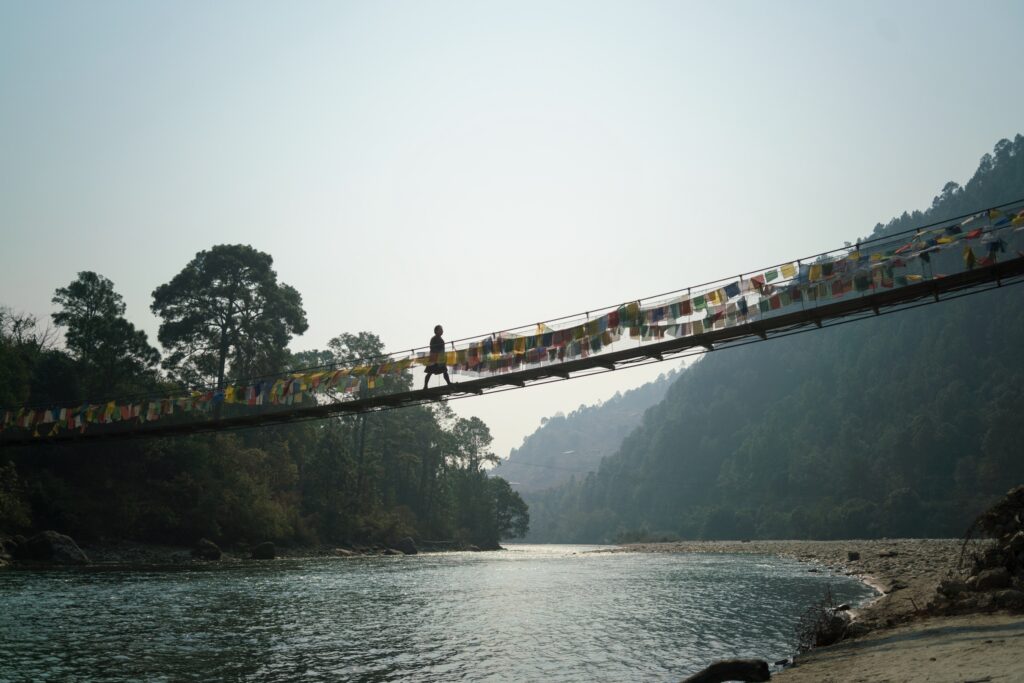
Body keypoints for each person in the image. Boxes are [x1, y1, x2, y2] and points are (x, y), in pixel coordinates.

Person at [424, 324, 452, 389]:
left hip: (440, 358)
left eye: (442, 329)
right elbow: (432, 348)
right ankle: (425, 386)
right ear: (436, 331)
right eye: (440, 329)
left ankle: (449, 383)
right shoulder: (434, 339)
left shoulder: (440, 339)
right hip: (434, 358)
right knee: (430, 372)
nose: (442, 331)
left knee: (444, 371)